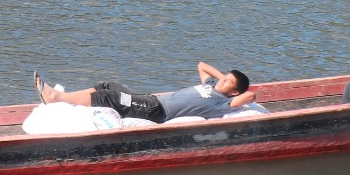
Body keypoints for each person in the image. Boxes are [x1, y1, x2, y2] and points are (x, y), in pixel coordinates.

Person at [35, 62, 254, 123]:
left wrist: (234, 89)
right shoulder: (210, 86)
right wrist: (224, 77)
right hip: (151, 99)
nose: (222, 80)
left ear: (234, 93)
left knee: (109, 98)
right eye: (224, 77)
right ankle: (65, 98)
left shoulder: (220, 104)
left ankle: (56, 98)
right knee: (109, 85)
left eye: (228, 82)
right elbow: (201, 65)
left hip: (157, 111)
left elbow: (250, 96)